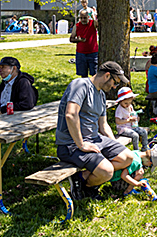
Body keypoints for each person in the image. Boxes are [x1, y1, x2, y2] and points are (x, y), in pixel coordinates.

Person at [56, 61, 133, 202]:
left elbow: (103, 125)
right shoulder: (80, 85)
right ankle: (86, 187)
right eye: (115, 82)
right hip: (71, 144)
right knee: (107, 171)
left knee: (127, 157)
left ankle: (82, 178)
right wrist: (81, 145)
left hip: (95, 139)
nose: (114, 87)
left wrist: (115, 145)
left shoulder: (101, 95)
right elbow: (70, 114)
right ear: (107, 76)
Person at [114, 87, 148, 151]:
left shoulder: (130, 106)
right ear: (121, 101)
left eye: (130, 102)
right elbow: (117, 121)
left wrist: (136, 118)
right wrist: (128, 120)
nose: (128, 105)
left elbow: (133, 114)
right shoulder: (120, 109)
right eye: (126, 103)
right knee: (135, 135)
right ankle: (136, 150)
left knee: (144, 132)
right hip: (123, 129)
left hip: (132, 126)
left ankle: (145, 147)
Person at [70, 9, 98, 77]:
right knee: (83, 75)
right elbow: (71, 39)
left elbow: (97, 24)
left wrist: (93, 16)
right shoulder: (77, 26)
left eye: (85, 18)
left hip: (93, 53)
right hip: (81, 54)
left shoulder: (92, 23)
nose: (83, 19)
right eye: (81, 18)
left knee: (94, 74)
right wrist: (78, 40)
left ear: (88, 17)